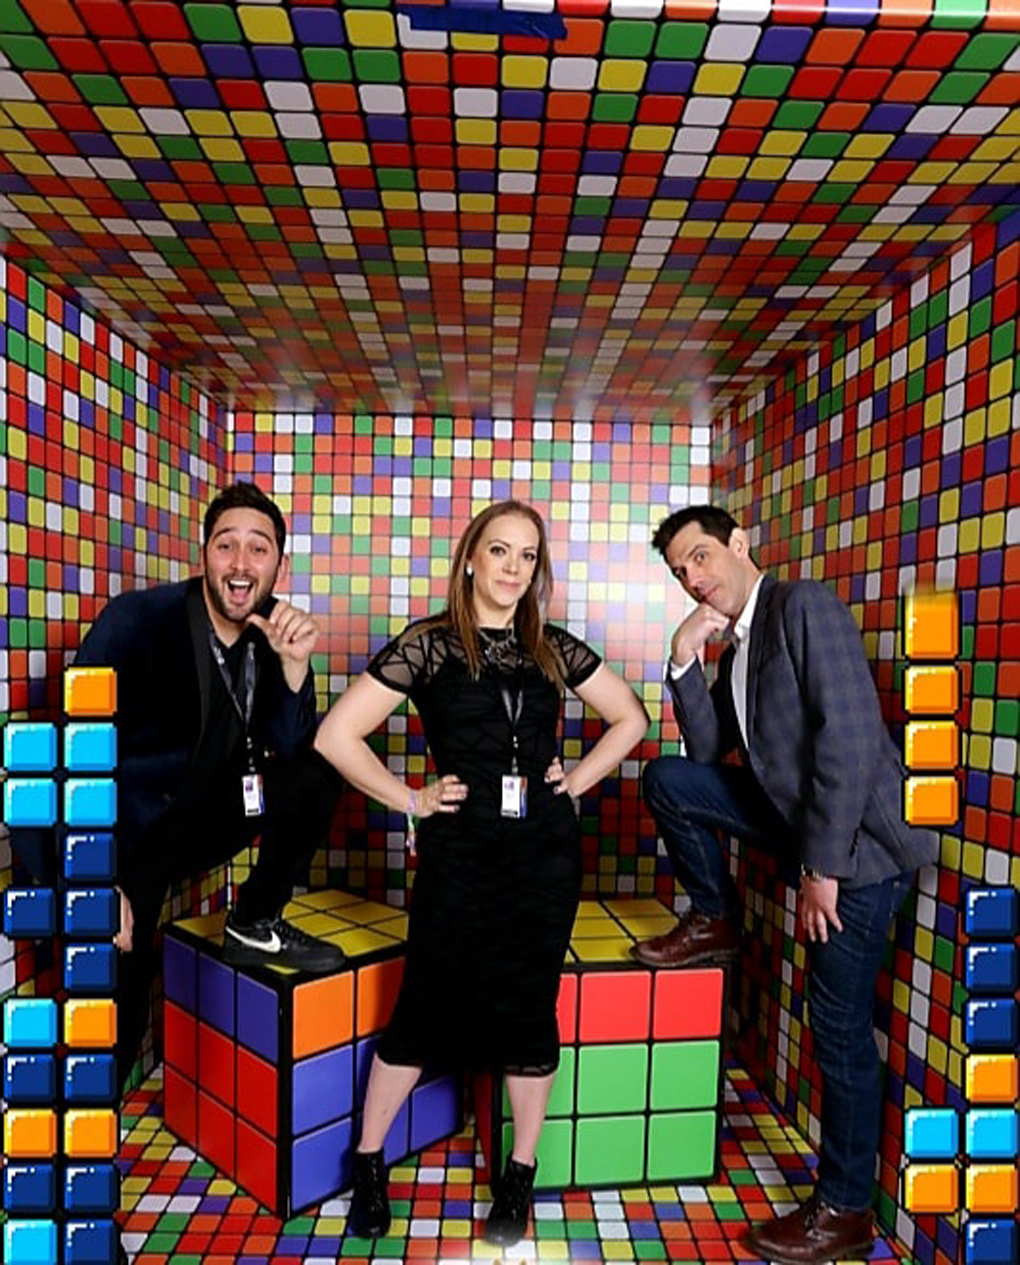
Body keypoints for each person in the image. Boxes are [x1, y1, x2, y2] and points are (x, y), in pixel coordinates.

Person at [314, 500, 648, 1247]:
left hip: (543, 854)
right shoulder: (428, 646)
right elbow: (334, 734)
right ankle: (368, 1161)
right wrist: (411, 798)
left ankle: (518, 1175)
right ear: (470, 557)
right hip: (460, 850)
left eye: (527, 557)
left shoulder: (551, 648)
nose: (511, 568)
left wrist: (577, 780)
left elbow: (631, 718)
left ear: (537, 572)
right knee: (426, 1006)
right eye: (499, 551)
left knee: (530, 1010)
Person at [633, 505, 938, 1265]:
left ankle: (844, 1209)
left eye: (702, 557)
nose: (694, 578)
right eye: (681, 572)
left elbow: (852, 735)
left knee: (833, 1023)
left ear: (739, 545)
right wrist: (681, 660)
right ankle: (715, 918)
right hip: (803, 826)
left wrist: (821, 869)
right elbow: (709, 756)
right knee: (668, 777)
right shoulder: (734, 647)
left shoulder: (802, 605)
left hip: (860, 848)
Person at [76, 481, 345, 1093]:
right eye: (227, 546)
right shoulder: (140, 620)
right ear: (204, 555)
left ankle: (254, 921)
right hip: (133, 836)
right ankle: (90, 1128)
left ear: (278, 563)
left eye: (259, 548)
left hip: (213, 817)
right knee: (120, 979)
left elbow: (294, 750)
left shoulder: (277, 629)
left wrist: (296, 669)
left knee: (324, 764)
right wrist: (93, 875)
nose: (242, 563)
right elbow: (71, 743)